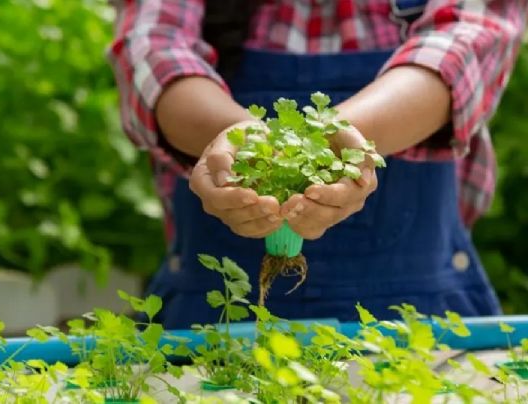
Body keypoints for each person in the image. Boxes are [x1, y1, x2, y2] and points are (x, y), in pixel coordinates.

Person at [108, 0, 527, 329]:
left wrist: (342, 137)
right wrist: (237, 137)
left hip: (416, 309)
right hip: (212, 315)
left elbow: (467, 41)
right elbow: (153, 46)